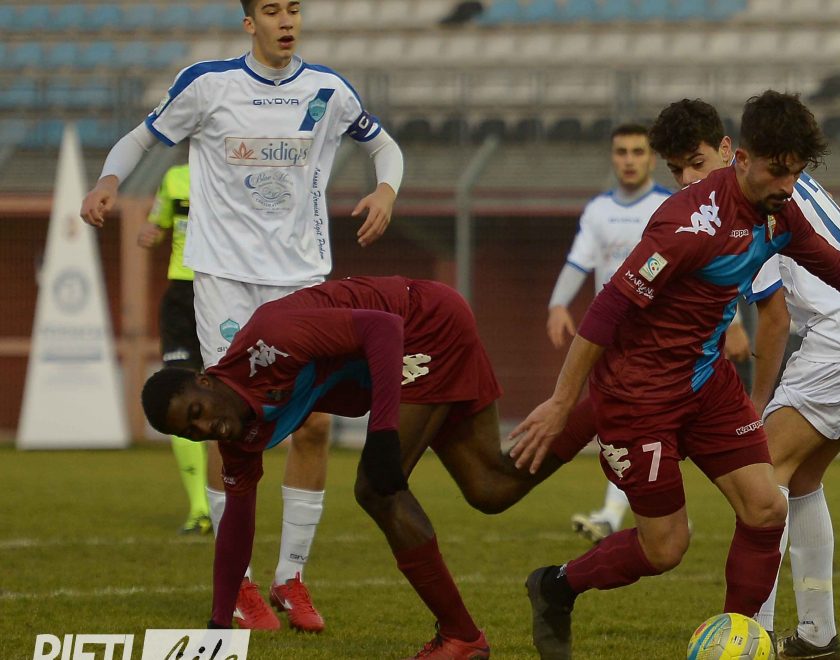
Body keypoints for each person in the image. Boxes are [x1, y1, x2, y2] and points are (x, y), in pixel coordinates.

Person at [508, 90, 840, 660]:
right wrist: (562, 402)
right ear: (740, 158)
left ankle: (739, 642)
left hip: (706, 385)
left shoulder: (778, 212)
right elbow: (607, 309)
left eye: (796, 172)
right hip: (639, 397)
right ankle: (557, 586)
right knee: (666, 548)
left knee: (767, 506)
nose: (789, 185)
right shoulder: (689, 223)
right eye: (778, 171)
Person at [80, 0, 404, 633]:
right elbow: (141, 137)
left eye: (294, 9)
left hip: (302, 278)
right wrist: (108, 180)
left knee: (312, 425)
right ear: (250, 22)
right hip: (225, 281)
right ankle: (240, 585)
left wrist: (386, 189)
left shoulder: (328, 90)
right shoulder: (208, 84)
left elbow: (384, 146)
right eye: (272, 10)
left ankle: (291, 578)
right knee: (230, 424)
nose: (287, 21)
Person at [141, 275, 602, 659]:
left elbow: (381, 328)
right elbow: (237, 527)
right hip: (422, 334)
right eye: (193, 432)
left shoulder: (271, 338)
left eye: (197, 412)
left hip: (424, 323)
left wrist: (382, 432)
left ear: (205, 380)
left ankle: (461, 637)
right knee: (491, 488)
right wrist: (218, 625)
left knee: (375, 489)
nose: (207, 428)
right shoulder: (236, 437)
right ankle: (609, 403)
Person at [648, 98, 840, 660]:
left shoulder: (747, 200)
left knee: (762, 476)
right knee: (801, 479)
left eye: (697, 163)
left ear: (731, 151)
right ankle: (818, 634)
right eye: (676, 170)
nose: (689, 179)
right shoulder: (778, 178)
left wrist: (754, 404)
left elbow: (774, 317)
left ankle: (754, 635)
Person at [547, 124, 669, 544]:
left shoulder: (668, 205)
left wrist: (736, 325)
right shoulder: (598, 210)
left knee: (631, 422)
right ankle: (658, 513)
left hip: (659, 334)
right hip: (611, 335)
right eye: (622, 152)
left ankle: (620, 514)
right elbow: (579, 261)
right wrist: (557, 304)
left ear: (652, 158)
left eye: (638, 151)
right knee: (632, 423)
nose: (629, 160)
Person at [137, 162, 213, 536]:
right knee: (179, 392)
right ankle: (200, 509)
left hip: (221, 290)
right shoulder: (173, 178)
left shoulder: (237, 167)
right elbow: (158, 223)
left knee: (226, 393)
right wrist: (150, 232)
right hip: (181, 296)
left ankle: (227, 499)